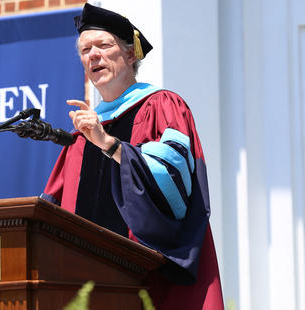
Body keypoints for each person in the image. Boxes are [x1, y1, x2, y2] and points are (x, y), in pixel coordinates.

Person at [41, 3, 224, 309]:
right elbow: (52, 209)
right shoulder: (80, 136)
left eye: (103, 45)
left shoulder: (162, 106)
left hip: (151, 285)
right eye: (85, 50)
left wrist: (111, 145)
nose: (93, 55)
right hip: (86, 289)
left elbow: (173, 182)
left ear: (129, 55)